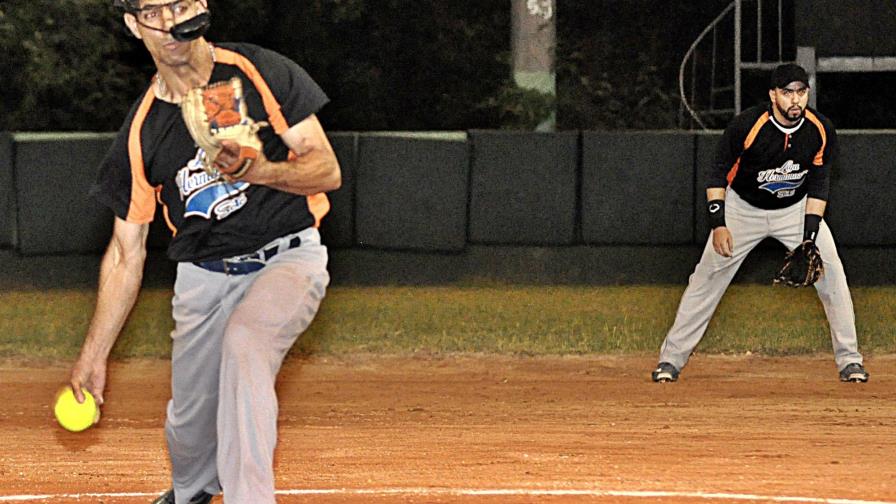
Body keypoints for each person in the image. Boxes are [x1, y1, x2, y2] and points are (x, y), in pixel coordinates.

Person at [67, 0, 341, 502]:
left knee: (247, 345)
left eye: (179, 5)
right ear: (133, 25)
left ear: (202, 8)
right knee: (190, 422)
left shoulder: (257, 72)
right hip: (203, 277)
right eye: (153, 11)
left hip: (287, 257)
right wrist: (94, 355)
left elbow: (327, 170)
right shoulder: (143, 130)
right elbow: (127, 253)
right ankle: (191, 489)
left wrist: (259, 170)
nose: (170, 22)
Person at [651, 63, 868, 384]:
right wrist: (719, 223)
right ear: (773, 95)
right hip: (742, 209)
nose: (795, 100)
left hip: (795, 209)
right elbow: (718, 173)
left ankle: (850, 361)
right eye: (787, 92)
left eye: (801, 92)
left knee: (832, 274)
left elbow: (820, 183)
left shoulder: (820, 129)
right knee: (706, 279)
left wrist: (809, 236)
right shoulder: (748, 126)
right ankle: (670, 361)